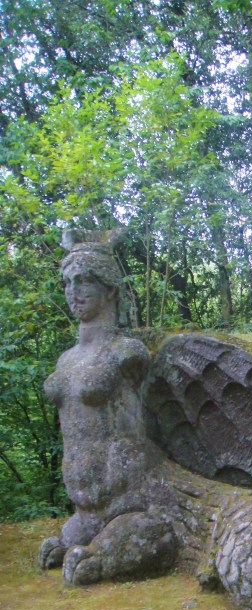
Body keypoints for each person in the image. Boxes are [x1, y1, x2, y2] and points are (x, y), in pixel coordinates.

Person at [39, 230, 178, 583]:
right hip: (86, 505)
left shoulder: (125, 352)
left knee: (98, 558)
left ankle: (104, 551)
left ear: (110, 289)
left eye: (86, 281)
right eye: (69, 282)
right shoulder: (65, 360)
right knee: (62, 547)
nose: (75, 291)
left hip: (131, 497)